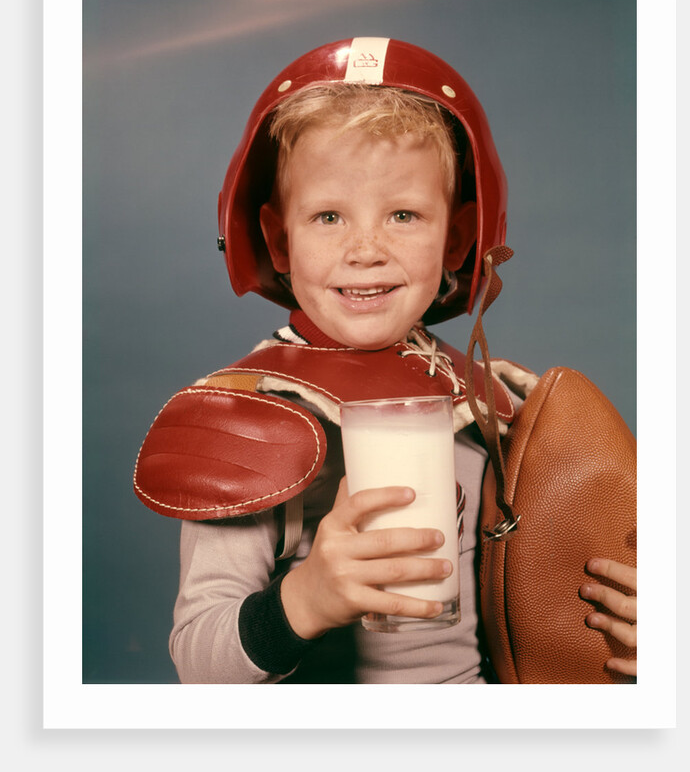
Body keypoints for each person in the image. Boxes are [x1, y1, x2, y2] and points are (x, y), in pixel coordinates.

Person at [134, 37, 637, 683]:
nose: (365, 248)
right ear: (276, 240)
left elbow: (549, 607)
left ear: (456, 239)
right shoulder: (246, 415)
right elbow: (201, 664)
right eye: (327, 217)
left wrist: (637, 634)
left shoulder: (501, 407)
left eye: (403, 214)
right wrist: (306, 600)